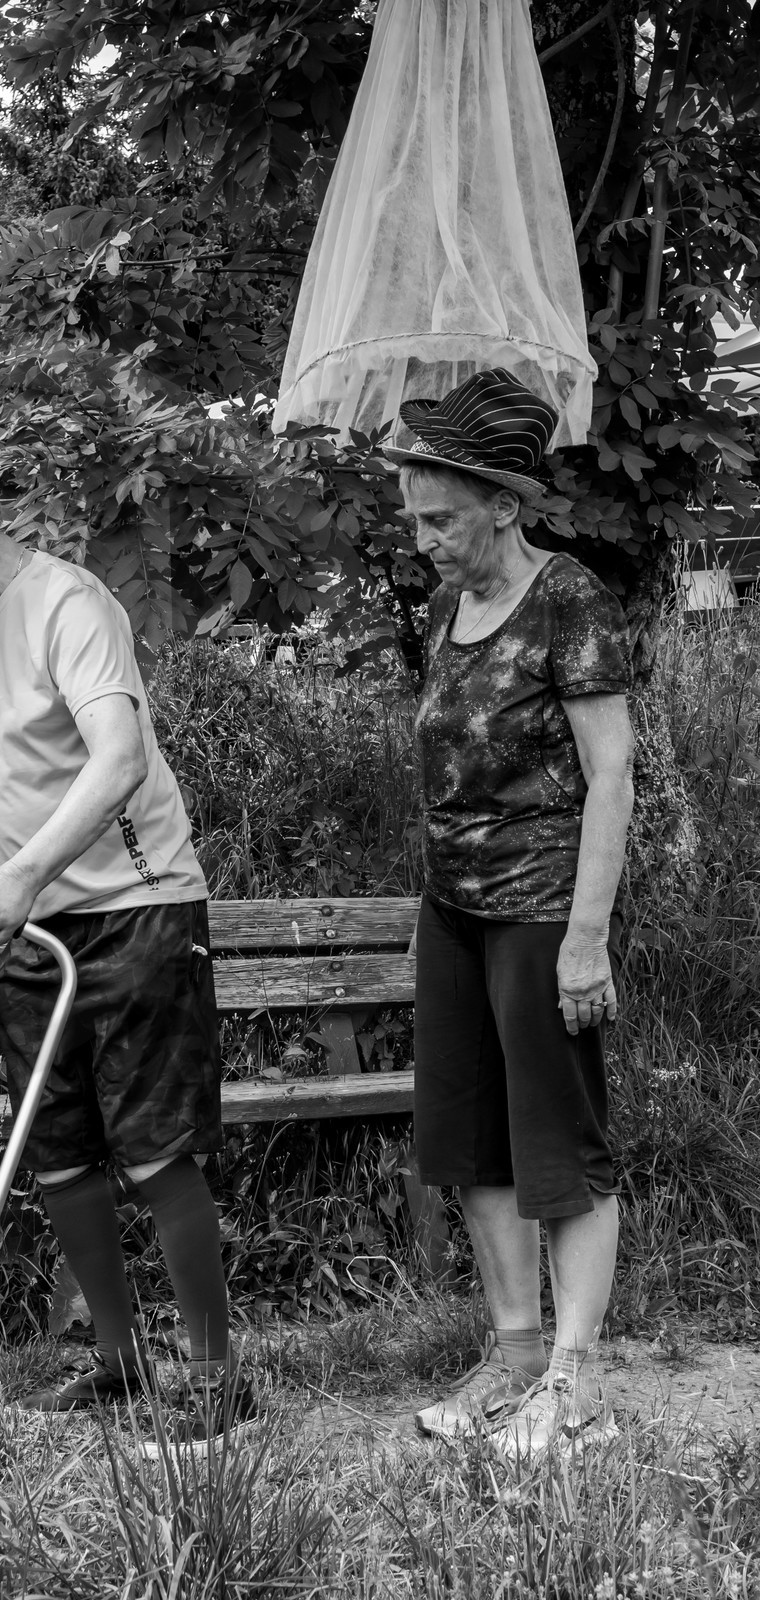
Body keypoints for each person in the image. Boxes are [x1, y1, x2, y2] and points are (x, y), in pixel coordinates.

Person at [0, 433, 251, 1455]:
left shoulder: (71, 606)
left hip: (135, 909)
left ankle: (216, 1378)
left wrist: (20, 874)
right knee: (55, 1153)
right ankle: (115, 1361)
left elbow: (117, 760)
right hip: (33, 925)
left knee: (152, 1148)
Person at [384, 369, 635, 1459]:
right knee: (474, 1146)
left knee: (558, 1147)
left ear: (504, 502)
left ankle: (576, 1381)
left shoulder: (566, 596)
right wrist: (429, 911)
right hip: (455, 910)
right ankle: (516, 1355)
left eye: (441, 518)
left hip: (541, 913)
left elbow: (612, 774)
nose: (425, 538)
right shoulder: (451, 605)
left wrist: (585, 937)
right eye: (415, 519)